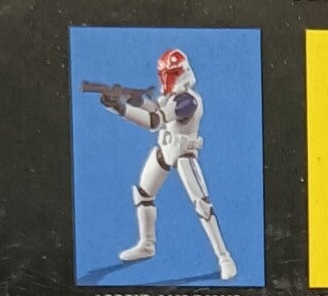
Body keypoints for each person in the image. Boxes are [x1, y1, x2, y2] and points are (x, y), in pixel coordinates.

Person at [98, 48, 237, 280]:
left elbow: (155, 121)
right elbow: (156, 109)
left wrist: (122, 109)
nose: (166, 79)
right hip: (165, 149)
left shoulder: (188, 101)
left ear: (182, 73)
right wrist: (134, 101)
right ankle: (147, 244)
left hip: (184, 154)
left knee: (202, 206)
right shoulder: (173, 98)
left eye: (170, 74)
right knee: (143, 194)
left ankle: (224, 257)